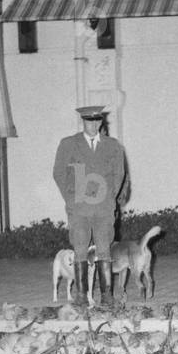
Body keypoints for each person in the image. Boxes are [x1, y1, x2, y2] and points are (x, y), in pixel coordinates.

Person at [52, 105, 127, 306]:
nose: (93, 126)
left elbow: (119, 174)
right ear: (82, 122)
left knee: (104, 249)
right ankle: (81, 295)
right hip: (79, 207)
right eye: (88, 121)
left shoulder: (113, 146)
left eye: (96, 121)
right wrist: (70, 198)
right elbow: (59, 173)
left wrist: (110, 197)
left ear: (101, 122)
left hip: (103, 207)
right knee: (80, 248)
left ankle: (107, 295)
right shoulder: (68, 144)